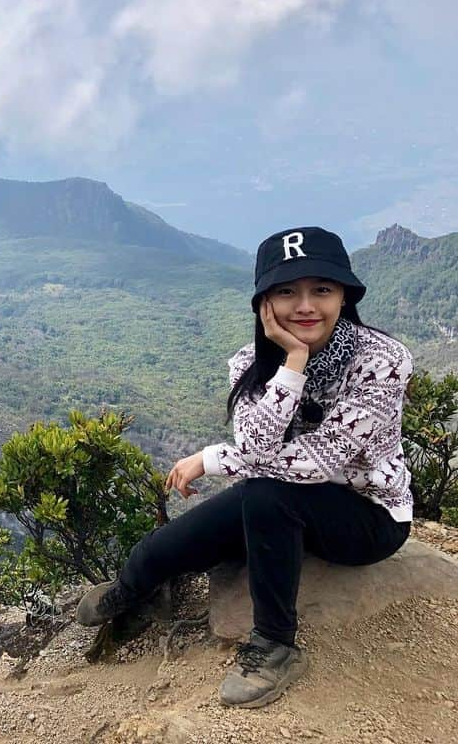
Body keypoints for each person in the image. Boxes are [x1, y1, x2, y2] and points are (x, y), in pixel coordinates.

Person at [75, 226, 414, 709]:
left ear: (344, 296)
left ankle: (277, 644)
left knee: (264, 496)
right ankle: (133, 590)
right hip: (282, 499)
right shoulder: (250, 363)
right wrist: (293, 361)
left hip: (368, 516)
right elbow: (257, 443)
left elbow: (318, 462)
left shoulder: (381, 361)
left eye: (322, 289)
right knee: (167, 546)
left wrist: (213, 458)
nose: (306, 306)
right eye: (286, 291)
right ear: (264, 305)